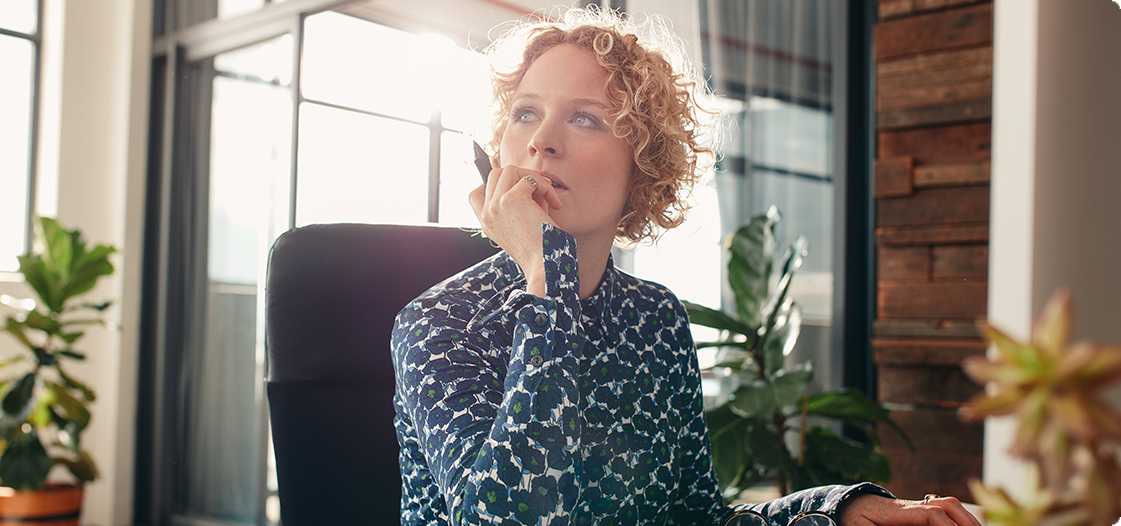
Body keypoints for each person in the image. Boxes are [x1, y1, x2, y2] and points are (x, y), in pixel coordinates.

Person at [391, 6, 981, 526]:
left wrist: (839, 511)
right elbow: (510, 517)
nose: (540, 141)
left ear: (642, 166)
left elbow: (696, 516)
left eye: (584, 118)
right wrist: (547, 283)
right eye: (525, 113)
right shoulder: (440, 322)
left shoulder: (655, 319)